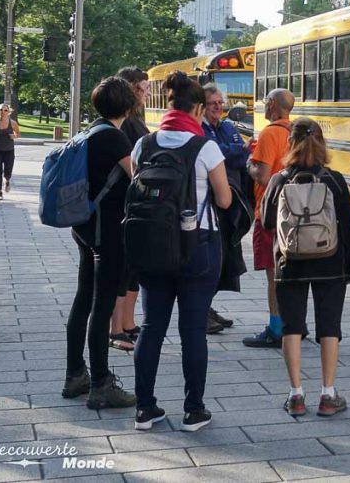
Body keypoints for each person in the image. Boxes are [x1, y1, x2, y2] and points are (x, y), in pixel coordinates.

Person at [131, 71, 232, 433]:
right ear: (199, 108)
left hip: (152, 246)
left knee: (151, 326)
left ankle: (145, 408)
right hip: (197, 247)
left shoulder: (144, 144)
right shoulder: (205, 147)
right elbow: (224, 199)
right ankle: (193, 410)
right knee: (192, 331)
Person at [261, 118, 350, 417]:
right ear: (322, 143)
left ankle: (295, 395)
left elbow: (266, 222)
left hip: (289, 263)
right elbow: (348, 228)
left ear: (289, 144)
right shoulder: (333, 180)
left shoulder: (280, 179)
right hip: (330, 263)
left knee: (292, 327)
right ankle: (328, 395)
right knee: (329, 327)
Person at [61, 78, 138, 410]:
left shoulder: (88, 132)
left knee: (84, 300)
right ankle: (101, 384)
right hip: (106, 231)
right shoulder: (114, 137)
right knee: (103, 303)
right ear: (127, 106)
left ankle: (75, 374)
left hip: (83, 226)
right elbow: (137, 178)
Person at [242, 88, 295, 348]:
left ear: (272, 104)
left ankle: (276, 328)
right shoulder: (299, 132)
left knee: (274, 276)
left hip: (271, 212)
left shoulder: (270, 133)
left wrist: (248, 161)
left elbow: (262, 174)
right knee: (293, 275)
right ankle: (295, 324)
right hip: (296, 212)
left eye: (265, 102)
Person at [201, 82, 249, 334]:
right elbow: (218, 153)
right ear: (202, 107)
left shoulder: (228, 126)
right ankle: (202, 311)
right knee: (212, 258)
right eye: (212, 104)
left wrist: (234, 151)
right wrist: (235, 151)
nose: (217, 108)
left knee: (224, 259)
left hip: (231, 202)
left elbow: (241, 154)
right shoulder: (200, 129)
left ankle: (206, 308)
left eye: (220, 104)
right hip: (210, 203)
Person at [108, 67, 151, 351]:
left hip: (133, 205)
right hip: (122, 205)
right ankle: (115, 328)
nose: (146, 94)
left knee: (133, 268)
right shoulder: (125, 126)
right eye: (142, 89)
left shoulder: (133, 121)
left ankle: (127, 322)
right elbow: (134, 167)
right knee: (122, 269)